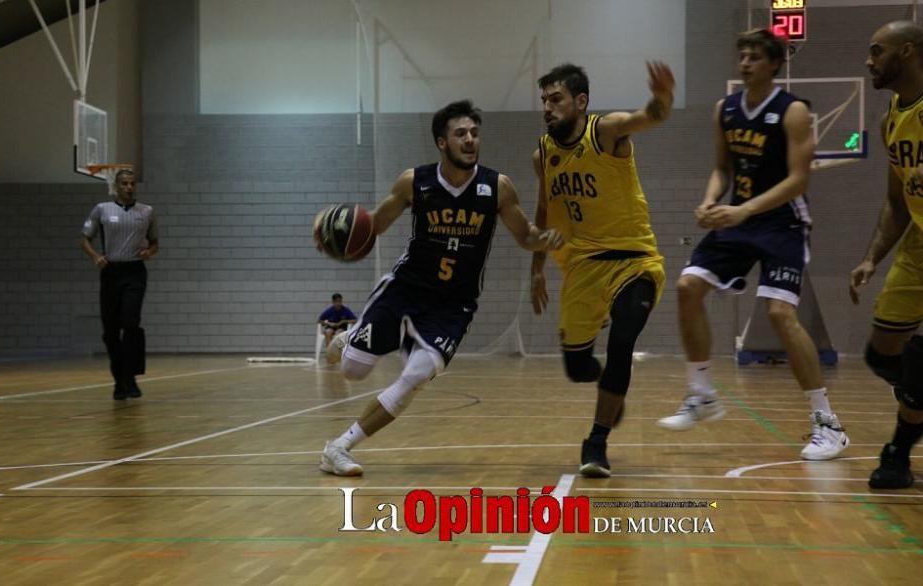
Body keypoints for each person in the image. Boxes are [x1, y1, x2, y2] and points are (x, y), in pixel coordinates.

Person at [318, 100, 563, 476]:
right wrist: (335, 236)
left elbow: (525, 236)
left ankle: (338, 447)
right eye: (460, 133)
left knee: (416, 375)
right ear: (441, 142)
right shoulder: (413, 182)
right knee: (352, 371)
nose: (470, 140)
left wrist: (547, 239)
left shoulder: (496, 187)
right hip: (407, 289)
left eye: (474, 133)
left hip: (454, 304)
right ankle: (353, 336)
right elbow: (375, 224)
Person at [656, 29, 849, 461]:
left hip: (783, 222)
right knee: (687, 287)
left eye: (754, 57)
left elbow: (799, 179)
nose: (744, 63)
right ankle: (702, 393)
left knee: (780, 313)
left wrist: (744, 211)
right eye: (741, 55)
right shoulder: (724, 110)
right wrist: (709, 199)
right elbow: (721, 169)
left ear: (773, 64)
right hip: (738, 220)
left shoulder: (793, 111)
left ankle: (827, 424)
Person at [530, 61, 674, 478]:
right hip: (582, 268)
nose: (548, 107)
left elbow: (650, 116)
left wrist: (662, 97)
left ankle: (596, 441)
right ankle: (608, 383)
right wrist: (537, 266)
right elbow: (543, 209)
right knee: (577, 368)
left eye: (555, 99)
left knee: (624, 335)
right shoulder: (544, 153)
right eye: (543, 101)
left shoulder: (605, 131)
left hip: (634, 260)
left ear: (580, 101)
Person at [849, 20, 923, 488]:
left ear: (908, 52)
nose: (869, 60)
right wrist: (871, 257)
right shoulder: (891, 118)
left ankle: (897, 452)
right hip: (918, 243)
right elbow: (897, 202)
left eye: (877, 51)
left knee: (918, 363)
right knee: (883, 354)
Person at [81, 168, 159, 400]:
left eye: (132, 183)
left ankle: (130, 375)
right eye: (124, 183)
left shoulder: (147, 212)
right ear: (117, 186)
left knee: (130, 323)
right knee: (110, 331)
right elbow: (84, 238)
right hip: (111, 272)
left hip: (134, 271)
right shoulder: (102, 210)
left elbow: (155, 242)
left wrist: (149, 252)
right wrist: (96, 256)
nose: (129, 187)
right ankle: (120, 380)